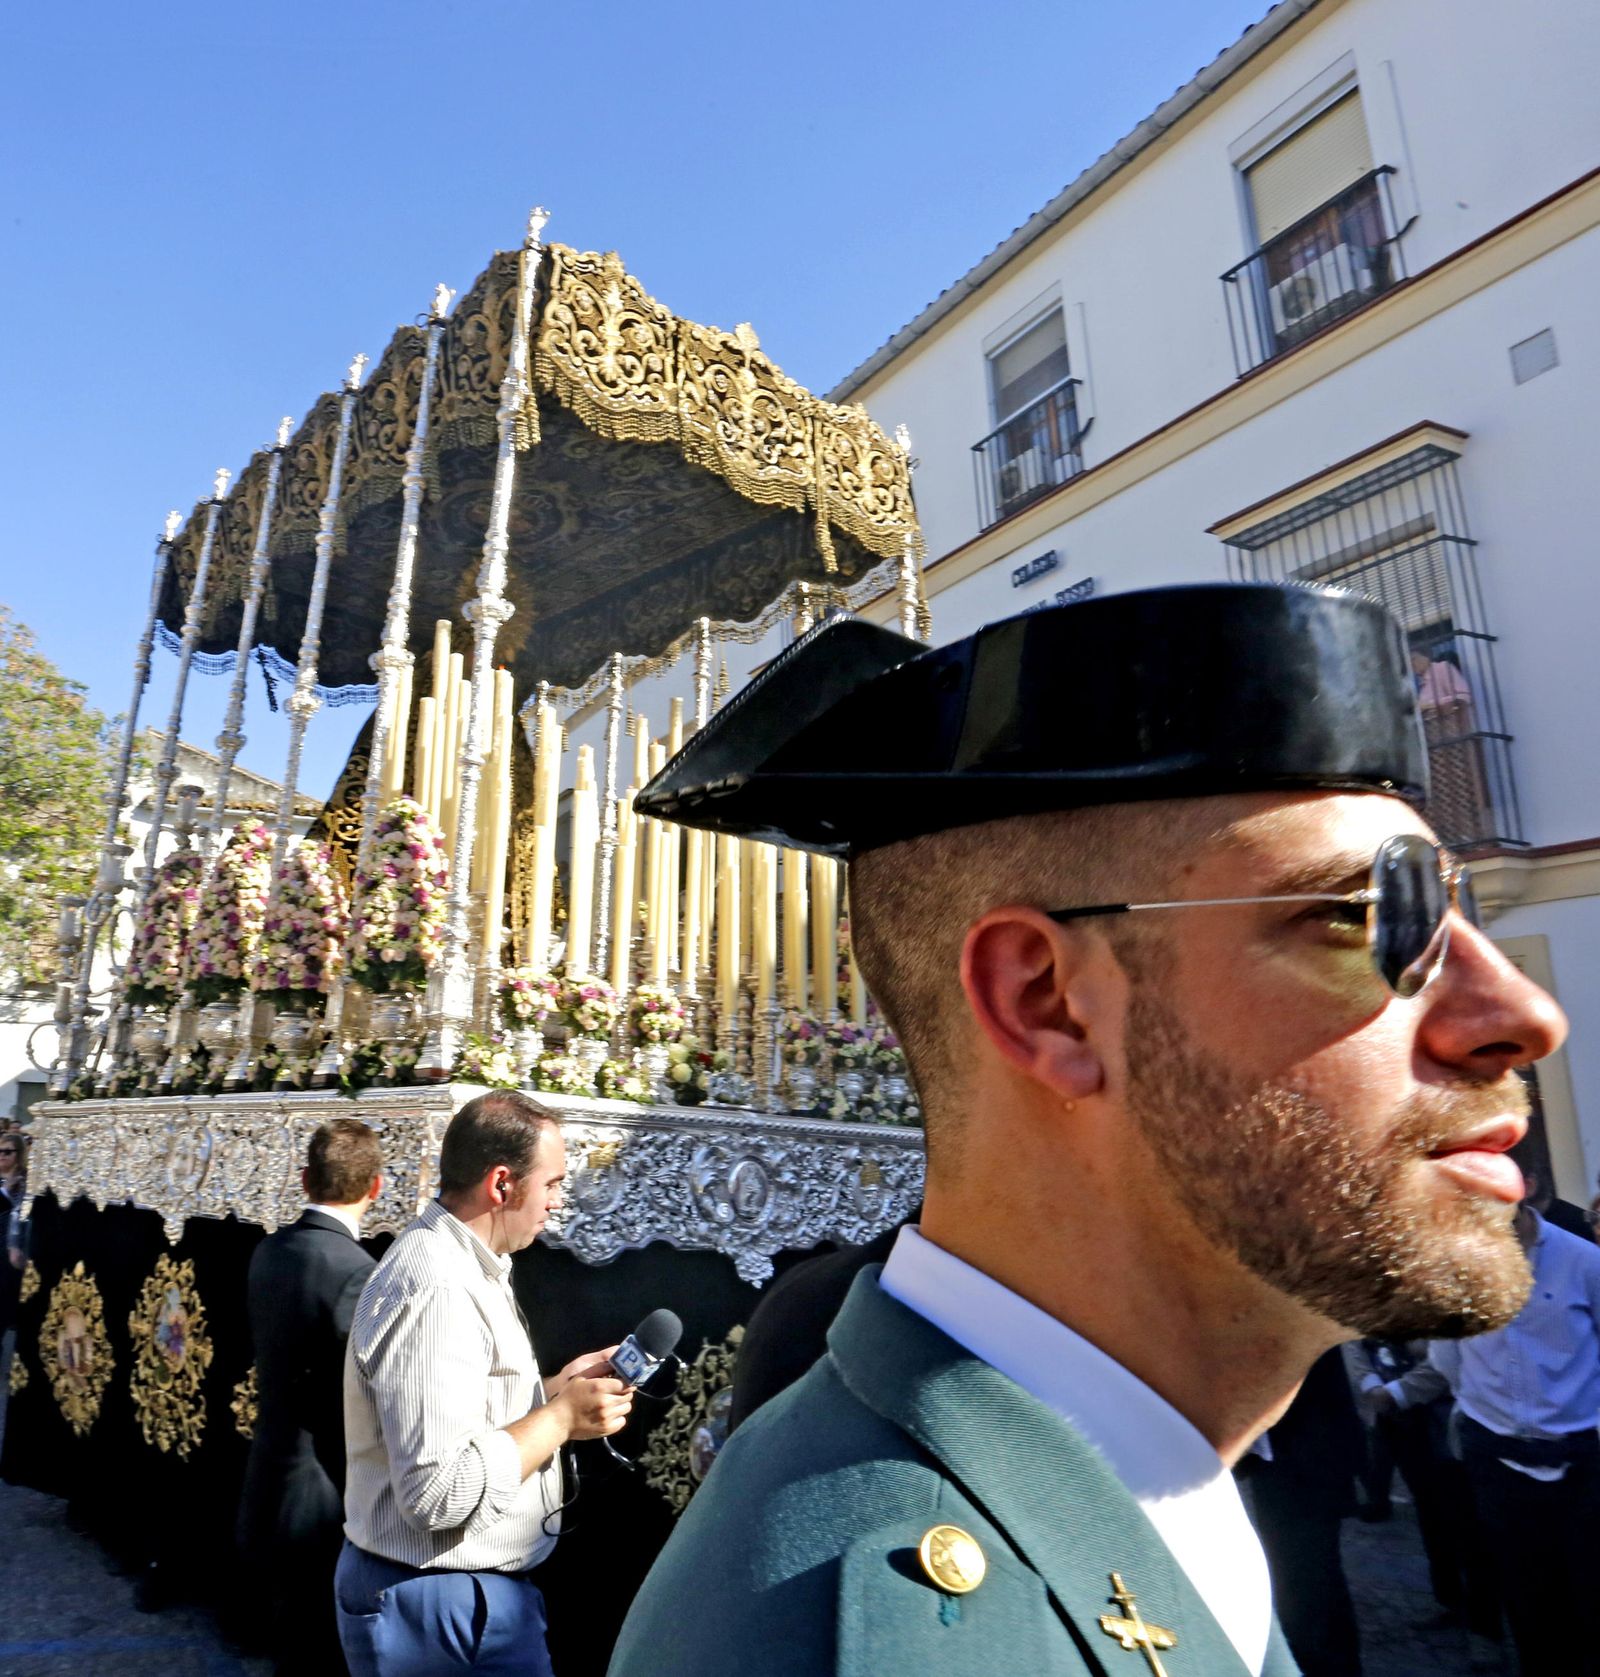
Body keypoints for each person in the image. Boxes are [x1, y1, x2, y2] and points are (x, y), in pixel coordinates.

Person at [608, 583, 1566, 1677]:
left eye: (1458, 916)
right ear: (1049, 1005)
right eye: (1369, 919)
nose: (1525, 1015)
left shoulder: (1150, 1472)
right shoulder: (880, 1636)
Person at [337, 1090, 634, 1677]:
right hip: (438, 1609)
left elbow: (466, 1413)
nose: (557, 1201)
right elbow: (437, 1492)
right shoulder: (438, 1286)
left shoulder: (466, 1264)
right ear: (502, 1184)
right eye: (551, 1184)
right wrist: (559, 1420)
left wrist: (552, 1392)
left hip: (454, 1601)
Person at [1422, 1196, 1600, 1676]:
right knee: (1527, 1595)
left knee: (1590, 1592)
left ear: (1524, 1204)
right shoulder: (1455, 1270)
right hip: (1497, 1457)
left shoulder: (1584, 1262)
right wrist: (1491, 1412)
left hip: (1583, 1459)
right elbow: (1447, 1360)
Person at [237, 1118, 384, 1677]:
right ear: (375, 1188)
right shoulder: (359, 1272)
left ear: (305, 1179)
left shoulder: (269, 1250)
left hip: (268, 1465)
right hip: (320, 1486)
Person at [1238, 1351, 1366, 1677]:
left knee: (1308, 1583)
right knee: (1302, 1577)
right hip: (1276, 1462)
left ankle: (1322, 1664)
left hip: (1309, 1461)